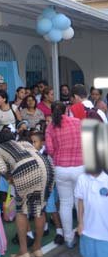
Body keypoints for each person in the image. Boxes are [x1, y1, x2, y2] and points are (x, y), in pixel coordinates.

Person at [0, 128, 53, 257]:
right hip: (47, 168)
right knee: (40, 209)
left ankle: (23, 252)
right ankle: (37, 248)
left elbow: (2, 169)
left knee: (22, 211)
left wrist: (9, 177)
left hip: (26, 171)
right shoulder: (23, 143)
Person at [45, 102, 83, 248]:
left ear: (52, 112)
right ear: (66, 110)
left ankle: (68, 238)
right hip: (80, 167)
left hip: (61, 168)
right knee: (80, 201)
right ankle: (83, 232)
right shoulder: (78, 122)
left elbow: (50, 150)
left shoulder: (50, 127)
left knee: (65, 203)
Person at [75, 169, 108, 257]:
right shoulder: (82, 178)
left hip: (105, 234)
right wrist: (80, 223)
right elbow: (80, 201)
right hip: (88, 230)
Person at [30, 131, 64, 245]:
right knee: (42, 209)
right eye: (31, 141)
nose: (32, 144)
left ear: (42, 142)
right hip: (39, 185)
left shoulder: (47, 154)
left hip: (48, 186)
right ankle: (45, 228)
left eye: (35, 141)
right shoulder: (33, 153)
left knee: (52, 209)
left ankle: (59, 232)